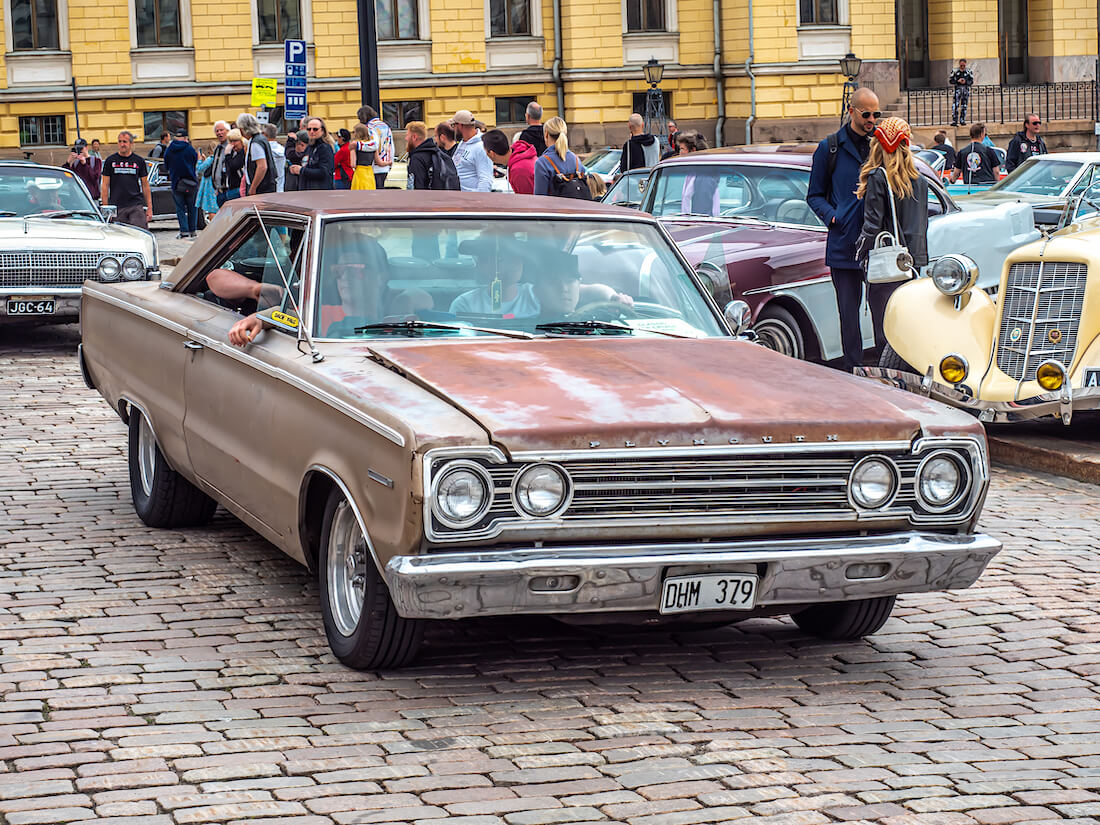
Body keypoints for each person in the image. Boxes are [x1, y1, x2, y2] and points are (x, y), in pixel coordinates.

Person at [807, 86, 881, 373]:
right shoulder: (830, 147)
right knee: (848, 315)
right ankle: (853, 370)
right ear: (851, 111)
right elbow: (814, 195)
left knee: (883, 313)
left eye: (876, 114)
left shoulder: (881, 144)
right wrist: (834, 217)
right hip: (844, 243)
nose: (871, 119)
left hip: (878, 245)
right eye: (866, 114)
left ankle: (884, 368)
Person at [855, 117, 928, 276]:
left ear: (879, 145)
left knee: (885, 301)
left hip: (888, 259)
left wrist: (859, 252)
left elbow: (872, 225)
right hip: (913, 260)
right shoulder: (921, 181)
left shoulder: (878, 177)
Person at [101, 131, 153, 228]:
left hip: (135, 205)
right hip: (117, 206)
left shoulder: (139, 161)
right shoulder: (110, 161)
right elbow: (104, 185)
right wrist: (106, 208)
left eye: (125, 142)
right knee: (120, 236)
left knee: (140, 233)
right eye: (120, 142)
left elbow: (145, 185)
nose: (122, 144)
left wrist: (149, 208)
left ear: (131, 144)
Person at [533, 117, 589, 198]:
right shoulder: (575, 159)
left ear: (546, 134)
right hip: (578, 208)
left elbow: (540, 198)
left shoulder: (543, 163)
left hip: (555, 209)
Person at [163, 129, 199, 238]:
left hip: (176, 183)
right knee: (192, 208)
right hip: (191, 182)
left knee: (180, 208)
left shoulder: (170, 149)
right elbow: (194, 161)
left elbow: (166, 165)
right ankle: (193, 230)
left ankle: (184, 231)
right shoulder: (190, 149)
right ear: (185, 138)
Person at [405, 120, 459, 190]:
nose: (406, 138)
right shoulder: (437, 153)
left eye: (407, 135)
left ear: (414, 137)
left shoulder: (417, 158)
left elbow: (417, 186)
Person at [482, 128, 536, 194]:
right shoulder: (519, 154)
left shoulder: (519, 170)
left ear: (492, 153)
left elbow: (527, 200)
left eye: (485, 152)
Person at [451, 110, 493, 192]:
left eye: (453, 125)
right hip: (460, 198)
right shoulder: (463, 143)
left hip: (471, 200)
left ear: (460, 125)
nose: (454, 129)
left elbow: (485, 179)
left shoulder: (481, 147)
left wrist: (479, 202)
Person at [237, 113, 276, 197]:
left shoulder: (256, 143)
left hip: (262, 189)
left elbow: (262, 167)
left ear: (242, 129)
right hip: (266, 187)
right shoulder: (260, 139)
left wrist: (253, 187)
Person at [292, 118, 336, 190]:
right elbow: (306, 165)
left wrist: (302, 170)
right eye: (309, 129)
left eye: (315, 129)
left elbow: (324, 172)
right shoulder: (309, 147)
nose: (311, 132)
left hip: (319, 192)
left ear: (322, 131)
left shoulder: (325, 148)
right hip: (307, 191)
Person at [358, 105, 394, 188]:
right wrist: (390, 162)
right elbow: (391, 145)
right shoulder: (385, 126)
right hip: (385, 164)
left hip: (373, 166)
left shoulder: (369, 128)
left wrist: (358, 145)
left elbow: (374, 145)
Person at [347, 123, 377, 190]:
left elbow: (353, 164)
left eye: (354, 132)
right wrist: (388, 162)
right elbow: (379, 162)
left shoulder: (354, 145)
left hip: (360, 172)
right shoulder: (372, 145)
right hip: (370, 173)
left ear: (358, 133)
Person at [209, 121, 231, 205]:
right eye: (217, 131)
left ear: (227, 131)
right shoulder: (218, 149)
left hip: (229, 190)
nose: (219, 133)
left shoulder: (231, 147)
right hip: (219, 191)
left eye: (221, 130)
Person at [949, 59, 974, 127]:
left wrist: (965, 81)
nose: (962, 66)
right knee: (955, 106)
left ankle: (962, 120)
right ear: (959, 64)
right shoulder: (955, 71)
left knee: (964, 106)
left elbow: (971, 81)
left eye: (964, 65)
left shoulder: (968, 71)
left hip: (965, 90)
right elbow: (951, 80)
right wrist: (957, 81)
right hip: (957, 90)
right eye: (961, 65)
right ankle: (955, 120)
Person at [195, 149, 218, 223]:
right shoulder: (219, 159)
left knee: (211, 209)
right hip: (218, 185)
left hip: (210, 186)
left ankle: (214, 227)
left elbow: (199, 169)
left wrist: (199, 160)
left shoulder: (210, 159)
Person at [223, 129, 246, 201]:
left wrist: (227, 155)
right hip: (231, 188)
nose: (232, 144)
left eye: (235, 141)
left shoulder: (243, 153)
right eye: (231, 141)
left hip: (239, 188)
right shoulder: (234, 153)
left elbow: (233, 166)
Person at [264, 124, 286, 192]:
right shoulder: (282, 149)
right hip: (280, 187)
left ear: (264, 134)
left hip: (268, 188)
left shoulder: (264, 150)